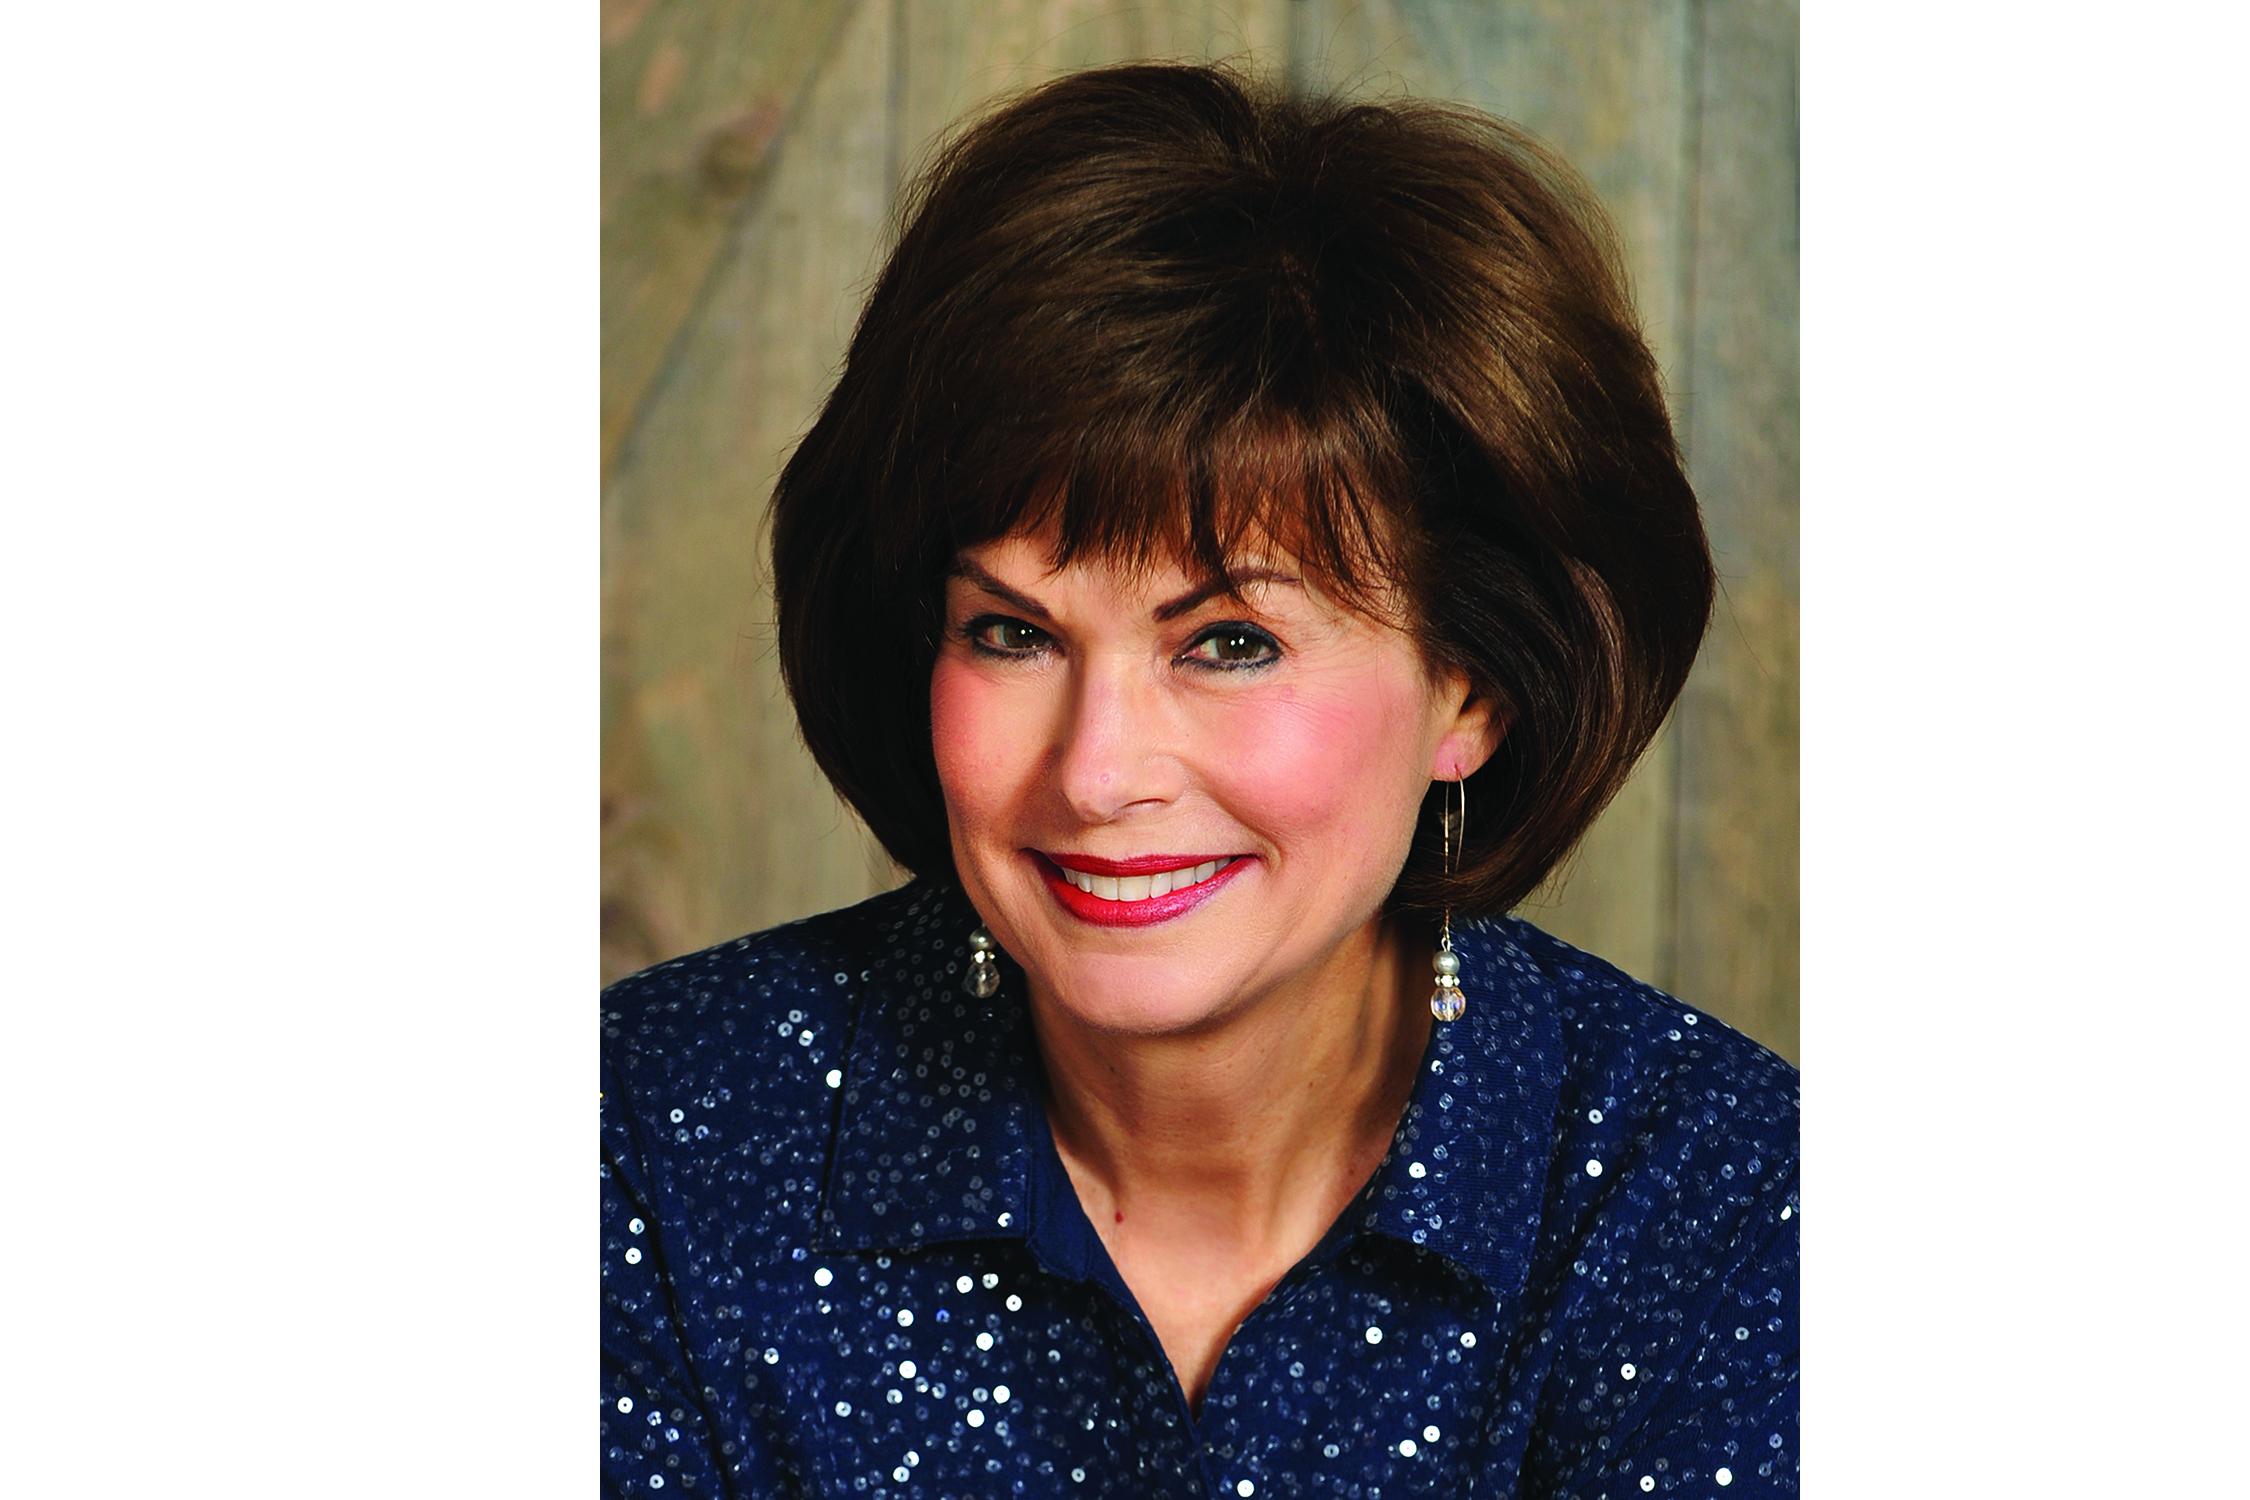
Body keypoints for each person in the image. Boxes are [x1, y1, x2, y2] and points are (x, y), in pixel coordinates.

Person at [603, 62, 1796, 1498]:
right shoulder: (645, 1145)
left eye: (1230, 643)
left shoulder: (1729, 1214)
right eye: (1013, 634)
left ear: (1471, 691)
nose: (1097, 772)